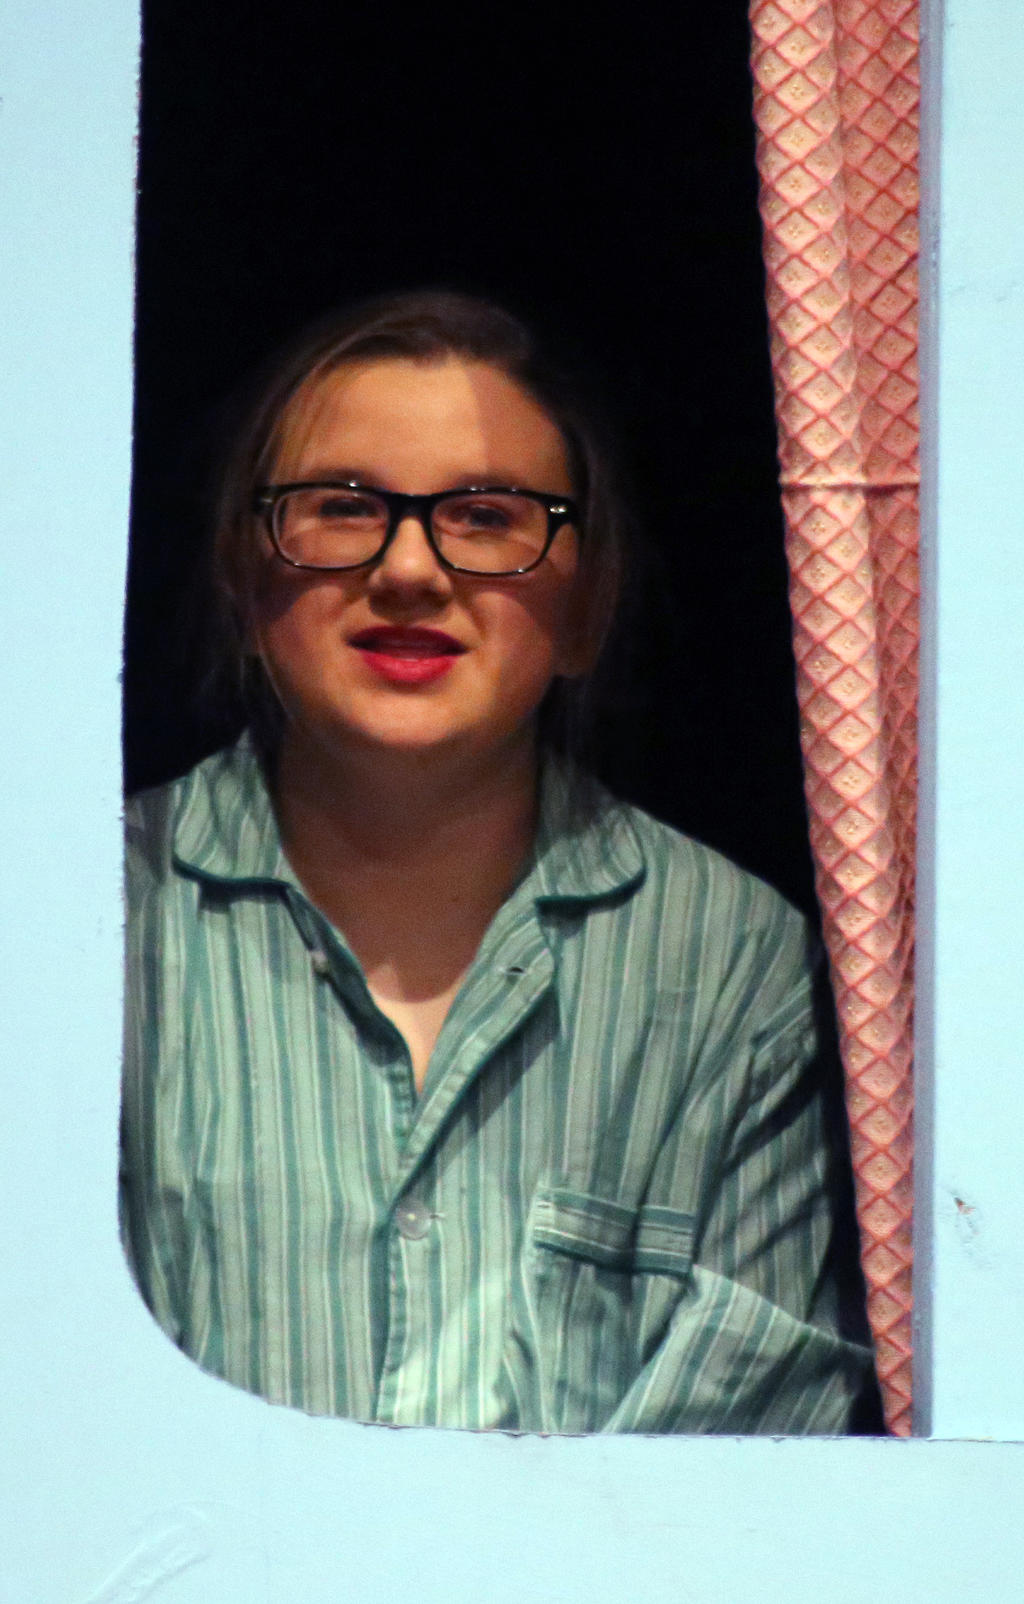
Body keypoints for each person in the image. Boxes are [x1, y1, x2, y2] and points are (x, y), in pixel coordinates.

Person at [120, 289, 874, 1432]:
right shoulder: (88, 915)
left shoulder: (733, 965)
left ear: (588, 603)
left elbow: (745, 1453)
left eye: (483, 516)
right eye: (342, 506)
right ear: (242, 572)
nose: (409, 568)